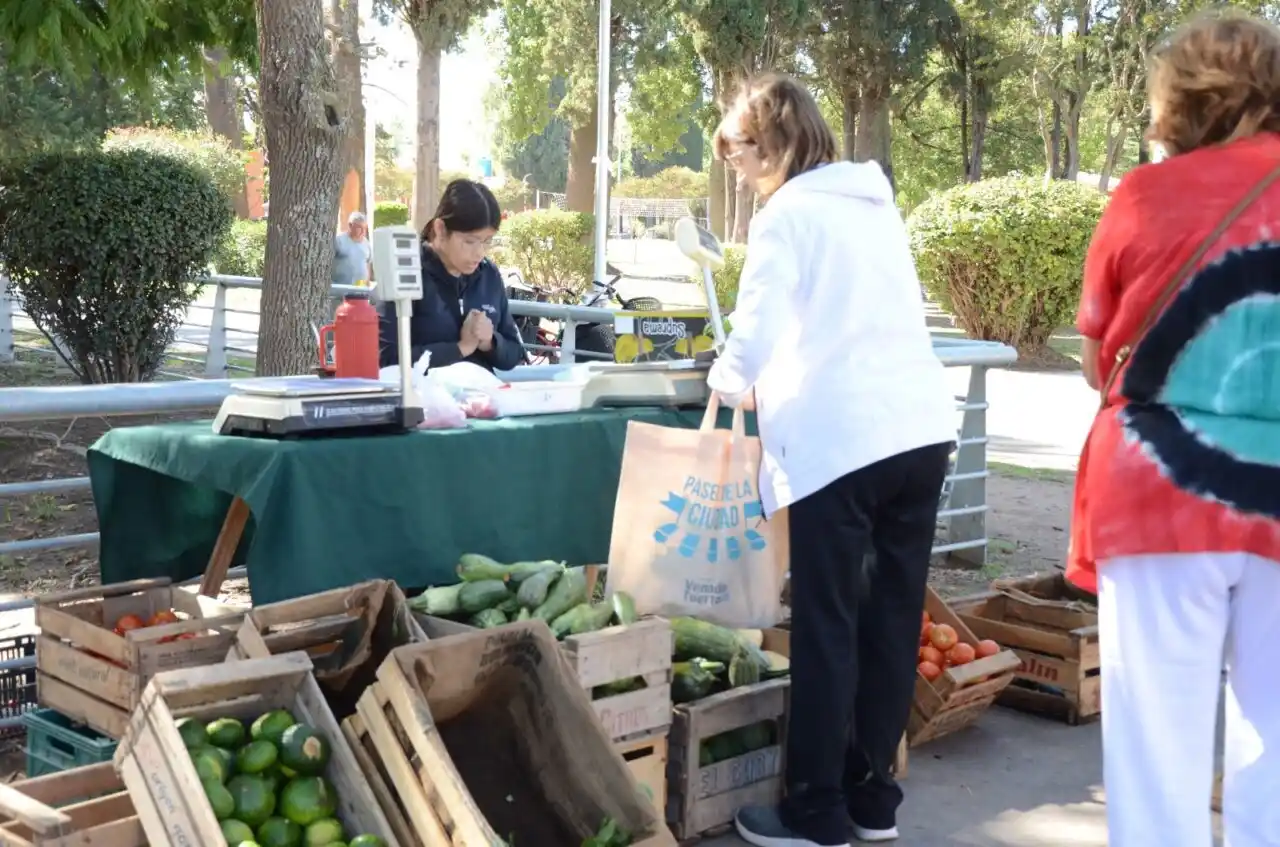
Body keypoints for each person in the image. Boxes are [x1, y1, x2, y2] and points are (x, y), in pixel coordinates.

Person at [708, 73, 957, 847]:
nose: (740, 174)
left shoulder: (788, 216)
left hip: (841, 442)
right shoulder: (874, 207)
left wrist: (723, 380)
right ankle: (873, 798)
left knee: (827, 625)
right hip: (918, 432)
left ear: (773, 144)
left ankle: (815, 810)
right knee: (890, 619)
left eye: (742, 157)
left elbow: (759, 323)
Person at [1067, 11, 1280, 847]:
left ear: (1178, 102)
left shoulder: (1143, 196)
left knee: (1158, 749)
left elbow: (1096, 364)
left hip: (1158, 489)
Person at [379, 179, 525, 371]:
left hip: (480, 395)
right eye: (470, 241)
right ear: (440, 230)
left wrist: (490, 342)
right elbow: (386, 358)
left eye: (487, 241)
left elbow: (514, 352)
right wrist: (459, 349)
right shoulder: (407, 270)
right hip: (424, 396)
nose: (480, 252)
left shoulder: (488, 274)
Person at [333, 211, 372, 288]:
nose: (363, 231)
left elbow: (368, 263)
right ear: (350, 226)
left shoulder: (366, 243)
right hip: (340, 290)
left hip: (361, 290)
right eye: (359, 228)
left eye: (365, 228)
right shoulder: (339, 241)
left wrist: (367, 283)